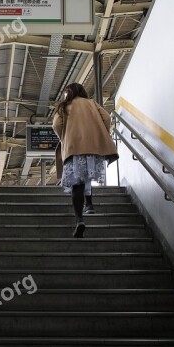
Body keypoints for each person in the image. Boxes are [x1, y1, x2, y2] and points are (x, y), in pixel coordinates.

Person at [53, 83, 118, 238]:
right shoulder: (92, 103)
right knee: (87, 175)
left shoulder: (65, 106)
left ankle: (79, 220)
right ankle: (89, 204)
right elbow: (107, 118)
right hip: (93, 147)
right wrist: (100, 132)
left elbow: (56, 125)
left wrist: (65, 137)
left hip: (74, 147)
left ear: (69, 93)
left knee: (77, 183)